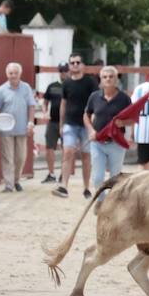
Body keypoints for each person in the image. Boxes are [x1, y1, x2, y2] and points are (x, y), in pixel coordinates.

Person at [54, 54, 98, 198]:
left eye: (77, 62)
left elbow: (96, 102)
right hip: (70, 123)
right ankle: (63, 186)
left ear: (82, 64)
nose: (75, 65)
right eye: (72, 62)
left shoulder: (90, 82)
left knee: (86, 155)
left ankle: (86, 187)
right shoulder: (66, 83)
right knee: (67, 152)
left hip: (86, 123)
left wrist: (94, 123)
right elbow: (63, 103)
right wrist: (61, 124)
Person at [84, 66, 132, 195]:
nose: (108, 79)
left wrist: (123, 123)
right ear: (101, 80)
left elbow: (133, 118)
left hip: (116, 143)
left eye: (111, 77)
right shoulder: (94, 96)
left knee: (115, 178)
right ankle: (102, 202)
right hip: (97, 142)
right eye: (105, 77)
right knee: (97, 178)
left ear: (116, 79)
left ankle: (112, 204)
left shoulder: (124, 98)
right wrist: (90, 130)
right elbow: (86, 115)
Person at [0, 62, 36, 192]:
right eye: (11, 73)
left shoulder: (26, 88)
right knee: (8, 157)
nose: (13, 76)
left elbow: (31, 106)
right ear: (7, 74)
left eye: (15, 73)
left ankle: (16, 179)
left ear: (20, 74)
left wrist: (30, 122)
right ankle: (9, 184)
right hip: (6, 129)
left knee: (21, 157)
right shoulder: (2, 90)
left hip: (22, 128)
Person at [39, 64, 66, 184]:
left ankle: (64, 174)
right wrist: (45, 113)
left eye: (65, 70)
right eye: (61, 70)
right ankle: (51, 173)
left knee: (67, 148)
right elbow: (45, 102)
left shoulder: (71, 86)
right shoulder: (52, 86)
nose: (63, 73)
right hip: (53, 121)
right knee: (49, 147)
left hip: (67, 122)